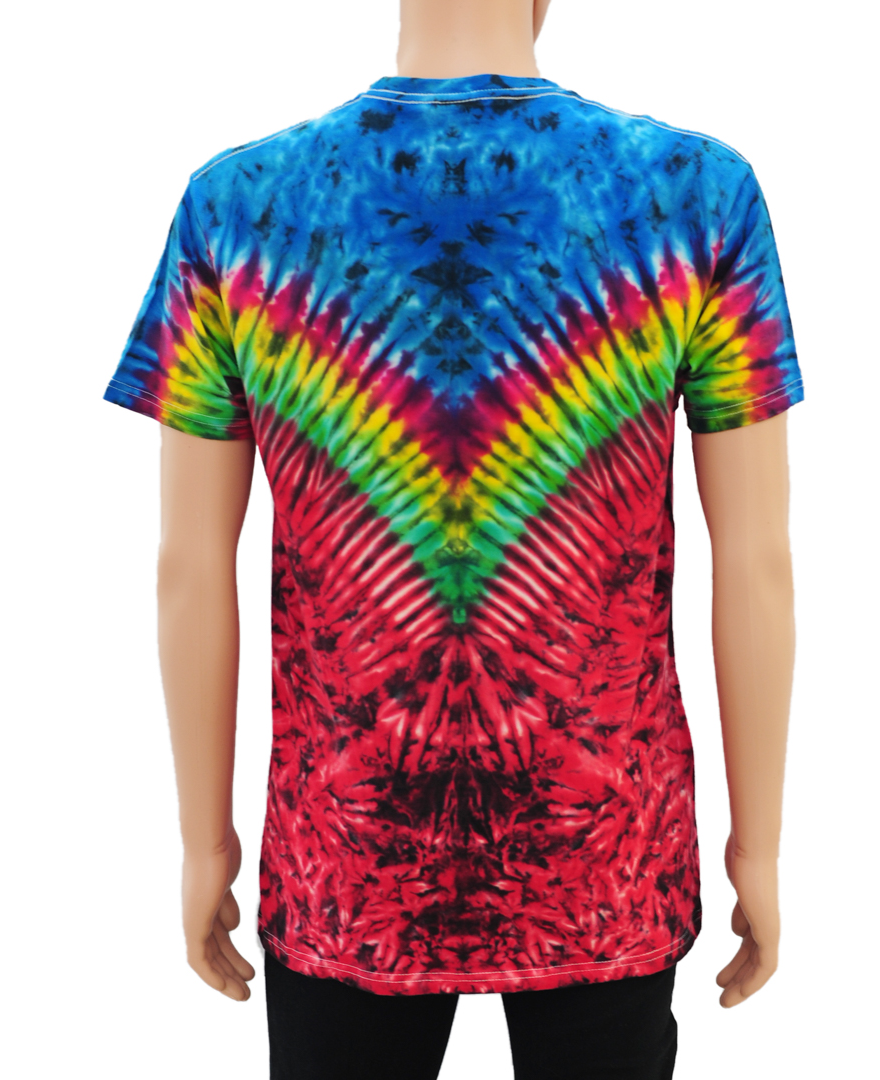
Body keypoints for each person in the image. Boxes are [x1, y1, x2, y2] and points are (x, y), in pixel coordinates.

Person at [103, 0, 801, 1075]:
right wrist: (758, 845)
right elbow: (755, 564)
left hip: (347, 849)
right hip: (602, 843)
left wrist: (206, 844)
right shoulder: (692, 196)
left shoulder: (241, 208)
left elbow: (190, 569)